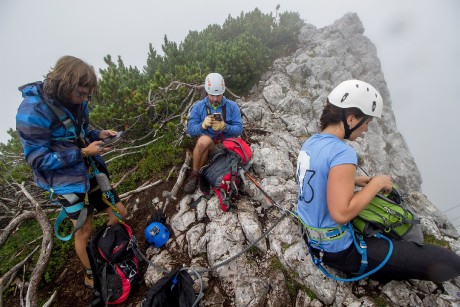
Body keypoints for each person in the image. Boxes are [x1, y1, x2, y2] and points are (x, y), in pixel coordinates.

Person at [296, 79, 460, 282]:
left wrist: (353, 181)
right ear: (351, 118)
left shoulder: (311, 143)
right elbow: (341, 213)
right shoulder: (342, 152)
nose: (365, 129)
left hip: (313, 239)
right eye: (366, 122)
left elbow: (317, 177)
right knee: (448, 261)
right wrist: (377, 183)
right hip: (340, 252)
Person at [16, 55, 128, 288]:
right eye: (81, 94)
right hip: (65, 181)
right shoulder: (33, 111)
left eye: (88, 94)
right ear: (64, 85)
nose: (85, 99)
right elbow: (37, 160)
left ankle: (112, 249)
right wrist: (83, 153)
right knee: (84, 229)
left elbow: (82, 131)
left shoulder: (77, 101)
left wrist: (98, 135)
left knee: (119, 212)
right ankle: (92, 274)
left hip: (89, 169)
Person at [183, 73, 243, 194]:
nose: (215, 99)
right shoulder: (198, 107)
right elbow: (190, 130)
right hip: (209, 147)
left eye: (218, 95)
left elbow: (239, 129)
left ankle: (205, 174)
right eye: (212, 95)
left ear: (223, 92)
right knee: (203, 141)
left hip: (226, 148)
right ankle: (195, 175)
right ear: (206, 91)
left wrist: (225, 127)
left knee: (205, 144)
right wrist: (202, 126)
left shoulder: (232, 106)